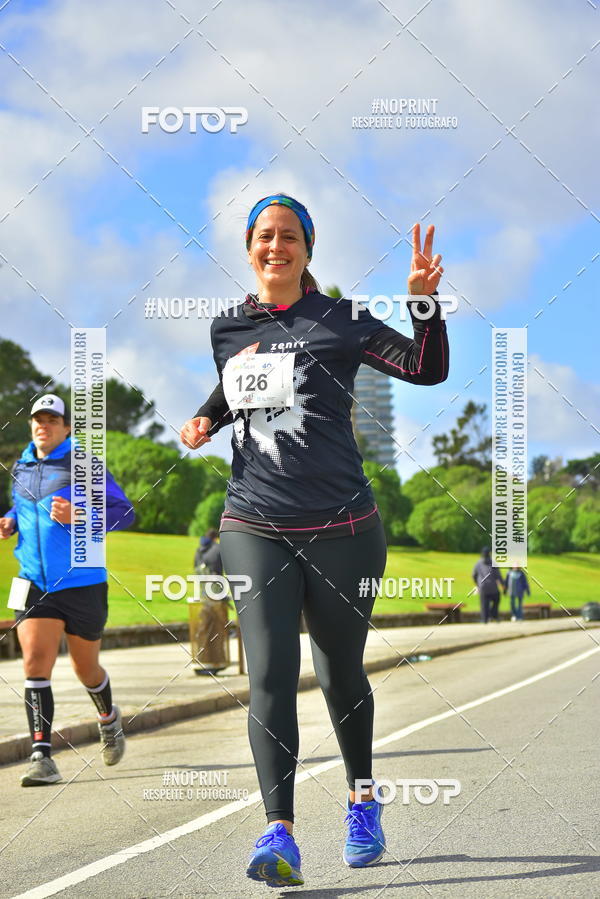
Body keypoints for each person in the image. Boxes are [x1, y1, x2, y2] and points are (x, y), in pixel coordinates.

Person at [180, 193, 449, 888]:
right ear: (248, 248)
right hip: (253, 522)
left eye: (289, 235)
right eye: (265, 235)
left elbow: (426, 368)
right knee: (268, 673)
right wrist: (205, 418)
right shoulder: (226, 327)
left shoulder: (344, 320)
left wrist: (424, 305)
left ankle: (362, 797)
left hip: (343, 527)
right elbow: (233, 383)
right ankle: (280, 832)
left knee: (338, 674)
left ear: (308, 247)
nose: (277, 245)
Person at [0, 394, 135, 786]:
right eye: (37, 419)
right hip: (32, 581)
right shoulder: (22, 468)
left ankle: (108, 720)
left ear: (65, 427)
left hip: (82, 582)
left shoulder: (84, 464)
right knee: (34, 663)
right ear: (30, 426)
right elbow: (22, 510)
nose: (44, 425)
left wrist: (81, 514)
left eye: (52, 419)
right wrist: (9, 522)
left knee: (85, 668)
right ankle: (41, 756)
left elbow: (125, 512)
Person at [192, 528, 230, 674]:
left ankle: (203, 661)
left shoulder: (198, 550)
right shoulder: (218, 549)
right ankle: (215, 661)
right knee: (217, 628)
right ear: (216, 538)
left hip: (202, 594)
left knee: (205, 628)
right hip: (216, 593)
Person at [472, 546, 505, 623]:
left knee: (484, 604)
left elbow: (474, 575)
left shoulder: (478, 564)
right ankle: (493, 614)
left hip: (482, 587)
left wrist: (477, 584)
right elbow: (498, 576)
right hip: (493, 587)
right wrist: (503, 585)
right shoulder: (493, 563)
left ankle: (484, 619)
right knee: (496, 599)